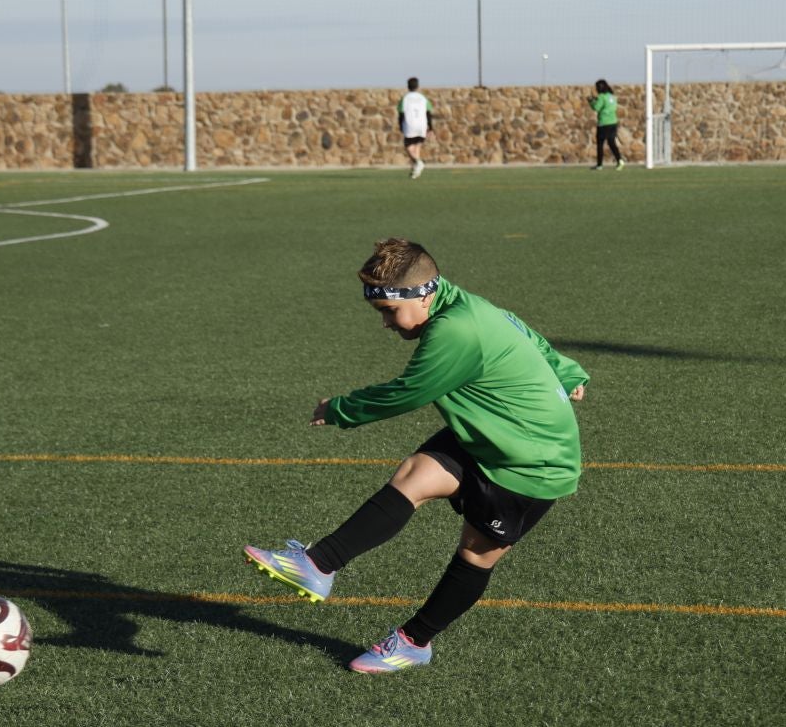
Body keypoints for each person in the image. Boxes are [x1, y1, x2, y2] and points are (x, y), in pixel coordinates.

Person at [243, 237, 590, 673]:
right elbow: (526, 332)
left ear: (424, 294)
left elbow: (409, 392)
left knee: (476, 554)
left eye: (390, 312)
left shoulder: (455, 329)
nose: (386, 324)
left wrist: (339, 409)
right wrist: (568, 370)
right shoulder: (463, 303)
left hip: (533, 461)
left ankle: (413, 641)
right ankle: (318, 564)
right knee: (415, 474)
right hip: (491, 435)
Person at [397, 77, 435, 179]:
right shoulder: (423, 98)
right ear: (418, 86)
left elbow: (401, 114)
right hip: (422, 126)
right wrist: (430, 128)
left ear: (408, 86)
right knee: (417, 147)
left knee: (408, 146)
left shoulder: (405, 98)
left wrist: (400, 126)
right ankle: (415, 171)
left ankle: (419, 162)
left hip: (410, 125)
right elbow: (428, 113)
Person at [590, 79, 624, 170]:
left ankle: (599, 165)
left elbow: (596, 107)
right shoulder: (612, 96)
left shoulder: (601, 97)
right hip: (613, 122)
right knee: (612, 143)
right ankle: (619, 160)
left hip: (603, 123)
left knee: (600, 144)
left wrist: (591, 101)